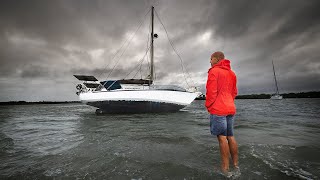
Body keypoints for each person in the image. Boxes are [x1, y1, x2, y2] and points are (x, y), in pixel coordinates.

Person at [205, 51, 239, 175]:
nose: (210, 61)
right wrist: (229, 102)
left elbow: (211, 92)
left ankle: (225, 168)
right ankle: (235, 164)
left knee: (222, 138)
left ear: (216, 59)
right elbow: (234, 92)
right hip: (230, 108)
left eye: (211, 59)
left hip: (219, 109)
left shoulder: (214, 71)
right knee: (230, 136)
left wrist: (209, 106)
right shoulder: (232, 73)